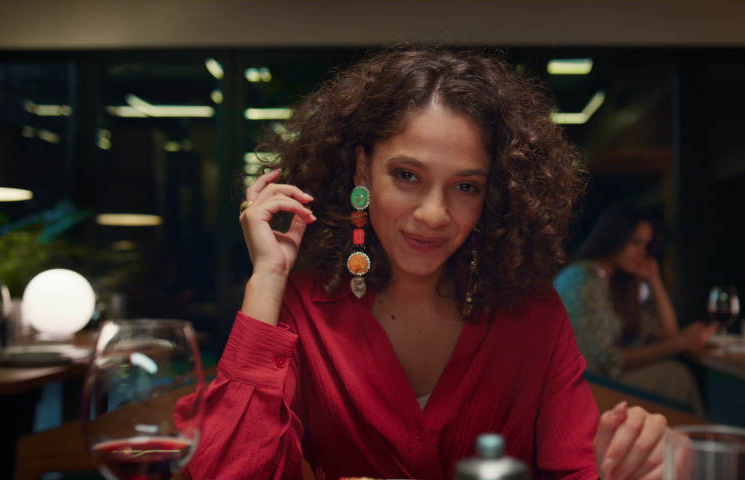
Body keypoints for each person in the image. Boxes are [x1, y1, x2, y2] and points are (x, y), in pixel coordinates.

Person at [176, 47, 673, 480]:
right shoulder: (302, 309)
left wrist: (630, 465)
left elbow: (578, 472)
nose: (434, 214)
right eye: (408, 175)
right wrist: (268, 279)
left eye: (465, 186)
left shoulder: (535, 316)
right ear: (362, 169)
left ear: (491, 195)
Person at [555, 202, 716, 415]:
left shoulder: (614, 281)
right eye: (636, 242)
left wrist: (654, 279)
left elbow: (668, 332)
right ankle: (694, 443)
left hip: (602, 379)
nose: (642, 253)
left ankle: (684, 442)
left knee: (676, 375)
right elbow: (605, 360)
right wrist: (678, 344)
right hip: (583, 385)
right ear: (614, 236)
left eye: (647, 246)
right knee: (676, 376)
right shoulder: (582, 278)